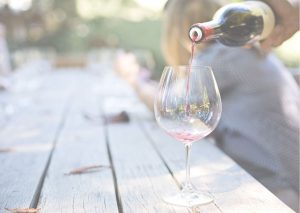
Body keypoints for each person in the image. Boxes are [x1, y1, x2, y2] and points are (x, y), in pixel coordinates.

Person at [115, 0, 299, 210]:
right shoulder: (238, 49)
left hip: (280, 189)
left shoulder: (225, 55)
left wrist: (133, 79)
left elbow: (168, 103)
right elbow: (178, 94)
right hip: (280, 174)